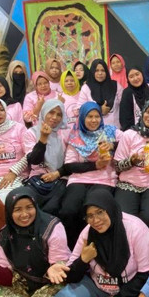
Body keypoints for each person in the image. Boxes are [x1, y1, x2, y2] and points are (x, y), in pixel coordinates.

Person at [56, 102, 122, 247]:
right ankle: (75, 248)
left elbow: (129, 141)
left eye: (97, 116)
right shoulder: (75, 135)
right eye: (89, 116)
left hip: (104, 180)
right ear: (82, 118)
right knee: (68, 210)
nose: (93, 120)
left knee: (95, 210)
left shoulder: (111, 132)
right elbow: (69, 165)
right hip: (79, 180)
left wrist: (112, 145)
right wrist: (95, 165)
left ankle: (98, 247)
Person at [114, 98, 149, 237]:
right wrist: (131, 161)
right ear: (143, 112)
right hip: (128, 184)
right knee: (124, 218)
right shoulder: (129, 134)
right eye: (148, 112)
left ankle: (144, 246)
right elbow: (117, 166)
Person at [23, 99, 69, 215]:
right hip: (37, 178)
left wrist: (56, 174)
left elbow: (70, 162)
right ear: (44, 112)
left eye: (59, 114)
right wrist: (43, 138)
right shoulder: (31, 133)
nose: (55, 117)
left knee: (53, 207)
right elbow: (34, 160)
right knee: (29, 205)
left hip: (60, 177)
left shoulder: (64, 134)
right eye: (51, 112)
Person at [78, 59, 122, 127]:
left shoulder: (115, 85)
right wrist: (99, 110)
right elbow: (80, 109)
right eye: (97, 70)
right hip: (94, 129)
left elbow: (124, 105)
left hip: (115, 129)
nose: (100, 73)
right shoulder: (86, 88)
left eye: (103, 70)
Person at [119, 66, 149, 130]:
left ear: (142, 74)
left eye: (137, 74)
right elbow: (124, 118)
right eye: (131, 77)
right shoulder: (127, 92)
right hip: (134, 131)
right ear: (128, 79)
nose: (135, 78)